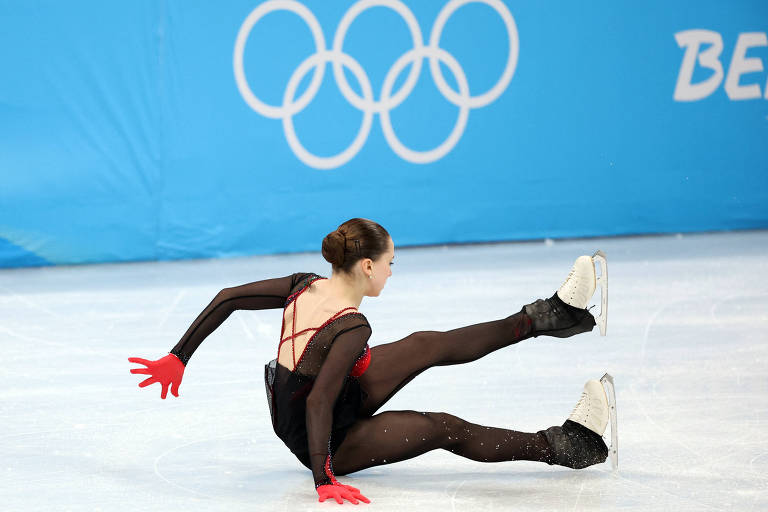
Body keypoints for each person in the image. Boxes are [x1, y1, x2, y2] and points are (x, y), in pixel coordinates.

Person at [129, 218, 616, 505]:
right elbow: (319, 400)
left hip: (318, 402)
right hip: (326, 436)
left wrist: (179, 356)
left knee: (425, 344)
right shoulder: (350, 326)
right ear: (367, 267)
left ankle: (551, 316)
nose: (390, 271)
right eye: (389, 264)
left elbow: (228, 297)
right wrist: (323, 477)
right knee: (443, 426)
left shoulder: (304, 283)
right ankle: (570, 446)